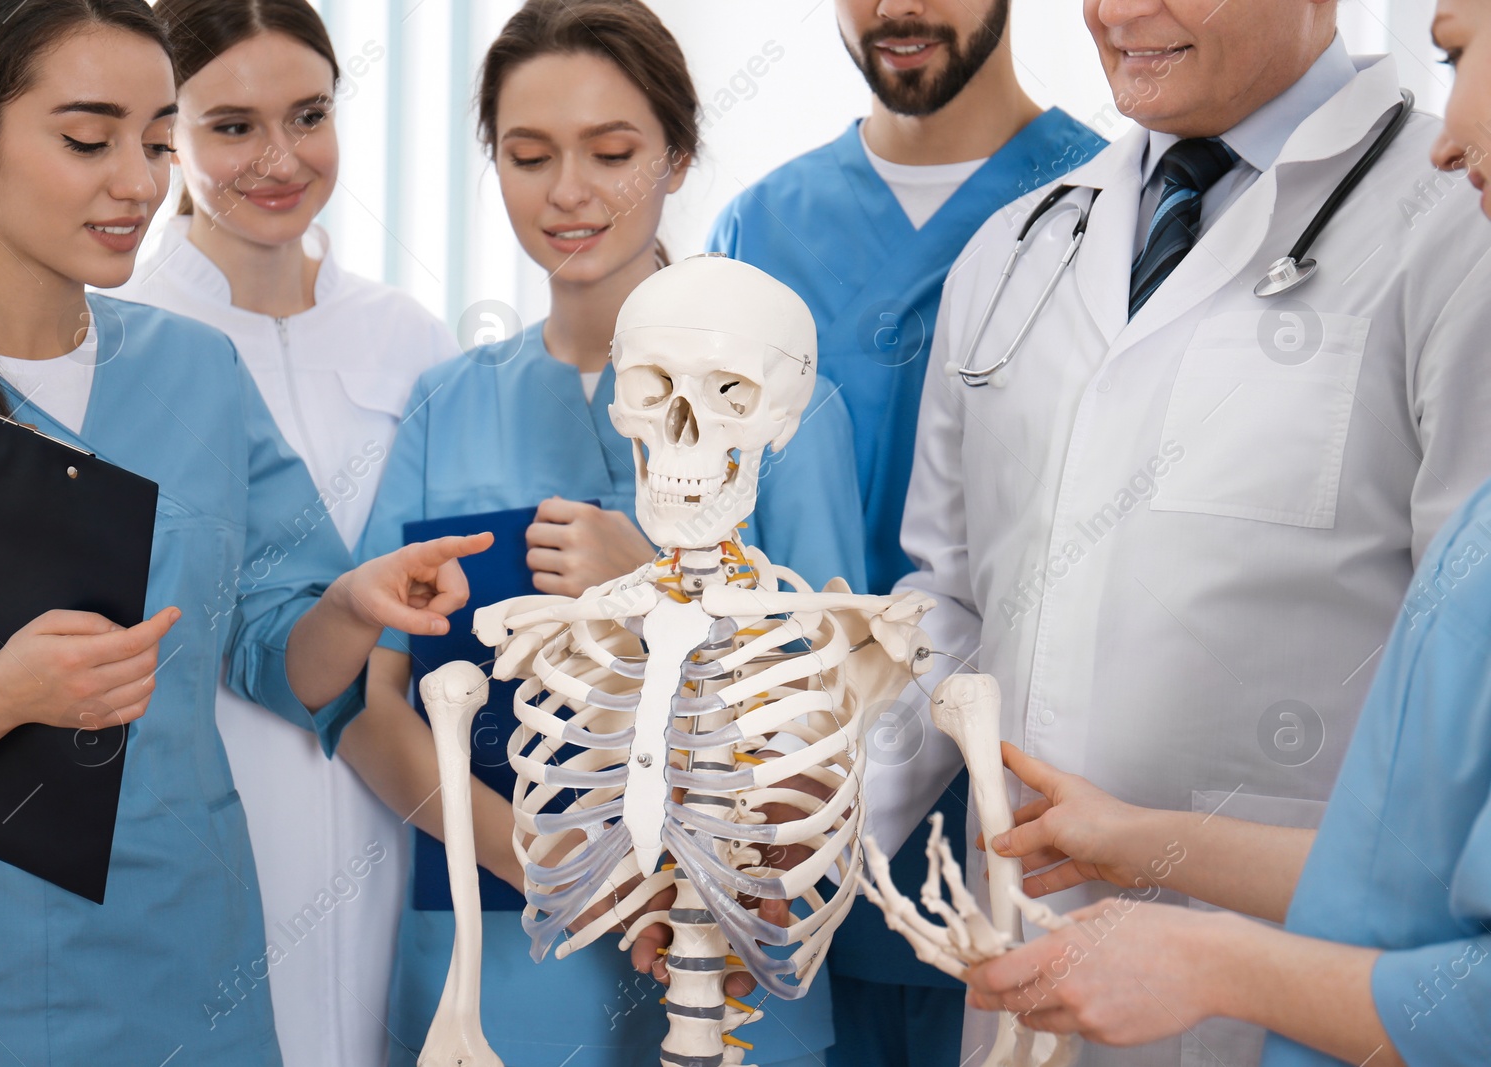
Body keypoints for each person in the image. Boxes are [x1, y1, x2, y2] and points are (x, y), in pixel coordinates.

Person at [875, 1, 1491, 1064]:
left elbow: (1464, 684)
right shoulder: (1018, 248)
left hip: (1304, 987)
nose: (1117, 12)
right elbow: (956, 600)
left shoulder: (1454, 226)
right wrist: (803, 838)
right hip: (1026, 953)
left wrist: (1211, 928)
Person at [0, 3, 494, 1064]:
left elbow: (277, 652)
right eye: (88, 139)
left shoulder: (194, 370)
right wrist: (5, 694)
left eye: (159, 139)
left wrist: (349, 605)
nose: (138, 181)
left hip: (188, 966)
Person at [354, 2, 866, 1064]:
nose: (568, 192)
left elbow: (837, 714)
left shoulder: (783, 405)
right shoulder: (448, 401)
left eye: (613, 151)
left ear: (679, 155)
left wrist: (656, 580)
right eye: (528, 154)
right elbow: (373, 710)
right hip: (494, 973)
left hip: (724, 966)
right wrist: (560, 866)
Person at [707, 2, 1106, 1060]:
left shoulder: (1103, 210)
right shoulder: (759, 229)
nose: (896, 8)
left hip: (1016, 832)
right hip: (777, 837)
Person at [113, 3, 457, 1064]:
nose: (279, 159)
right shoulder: (119, 329)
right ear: (168, 134)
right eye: (230, 126)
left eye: (308, 115)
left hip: (398, 798)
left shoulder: (410, 336)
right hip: (208, 802)